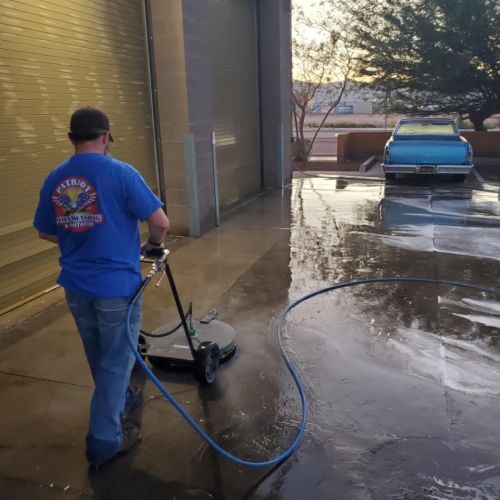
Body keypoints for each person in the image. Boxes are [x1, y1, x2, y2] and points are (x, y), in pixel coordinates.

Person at [33, 107, 170, 467]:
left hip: (76, 287)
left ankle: (121, 399)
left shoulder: (56, 177)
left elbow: (45, 230)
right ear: (105, 137)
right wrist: (153, 244)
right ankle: (104, 440)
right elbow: (160, 221)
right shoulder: (121, 172)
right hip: (116, 288)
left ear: (72, 138)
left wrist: (78, 237)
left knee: (99, 354)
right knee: (116, 359)